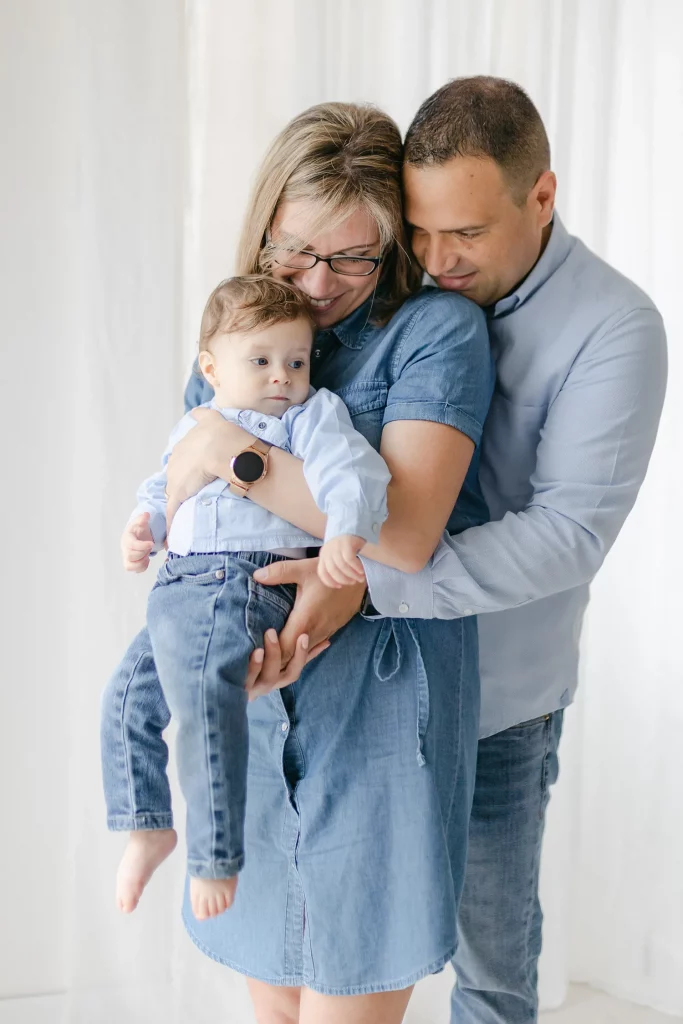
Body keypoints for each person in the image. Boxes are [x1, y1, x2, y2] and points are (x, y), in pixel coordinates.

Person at [104, 101, 494, 1024]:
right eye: (296, 251)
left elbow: (401, 535)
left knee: (346, 991)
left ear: (390, 247)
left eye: (353, 257)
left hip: (379, 699)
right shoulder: (243, 324)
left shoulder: (436, 332)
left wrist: (234, 455)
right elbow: (183, 487)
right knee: (272, 991)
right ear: (265, 226)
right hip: (256, 688)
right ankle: (148, 825)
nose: (318, 284)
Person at [332, 77, 664, 1023]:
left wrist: (375, 580)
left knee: (489, 963)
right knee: (339, 938)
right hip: (366, 678)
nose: (435, 260)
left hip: (500, 704)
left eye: (465, 235)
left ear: (542, 197)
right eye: (421, 229)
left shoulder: (616, 328)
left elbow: (568, 535)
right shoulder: (409, 276)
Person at [102, 274, 393, 922]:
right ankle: (145, 822)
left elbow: (347, 472)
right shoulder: (198, 421)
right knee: (127, 699)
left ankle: (213, 853)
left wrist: (345, 531)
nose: (281, 376)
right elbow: (165, 486)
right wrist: (140, 526)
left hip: (239, 579)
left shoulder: (308, 416)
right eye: (260, 361)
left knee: (208, 700)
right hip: (180, 584)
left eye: (295, 360)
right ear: (211, 367)